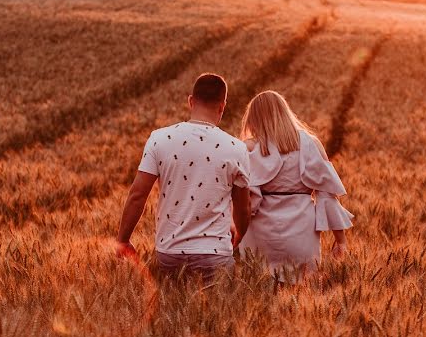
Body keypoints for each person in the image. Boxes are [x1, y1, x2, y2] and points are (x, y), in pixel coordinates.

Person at [114, 73, 251, 278]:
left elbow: (137, 195)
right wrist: (239, 235)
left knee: (168, 309)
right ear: (222, 106)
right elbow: (243, 207)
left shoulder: (159, 139)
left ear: (191, 101)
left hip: (169, 254)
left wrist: (123, 240)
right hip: (215, 256)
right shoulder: (236, 148)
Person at [237, 90, 352, 280]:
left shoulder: (248, 147)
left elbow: (245, 202)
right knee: (303, 288)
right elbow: (327, 195)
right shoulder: (310, 143)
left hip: (261, 237)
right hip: (302, 233)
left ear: (253, 118)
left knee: (260, 295)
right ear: (284, 112)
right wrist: (341, 241)